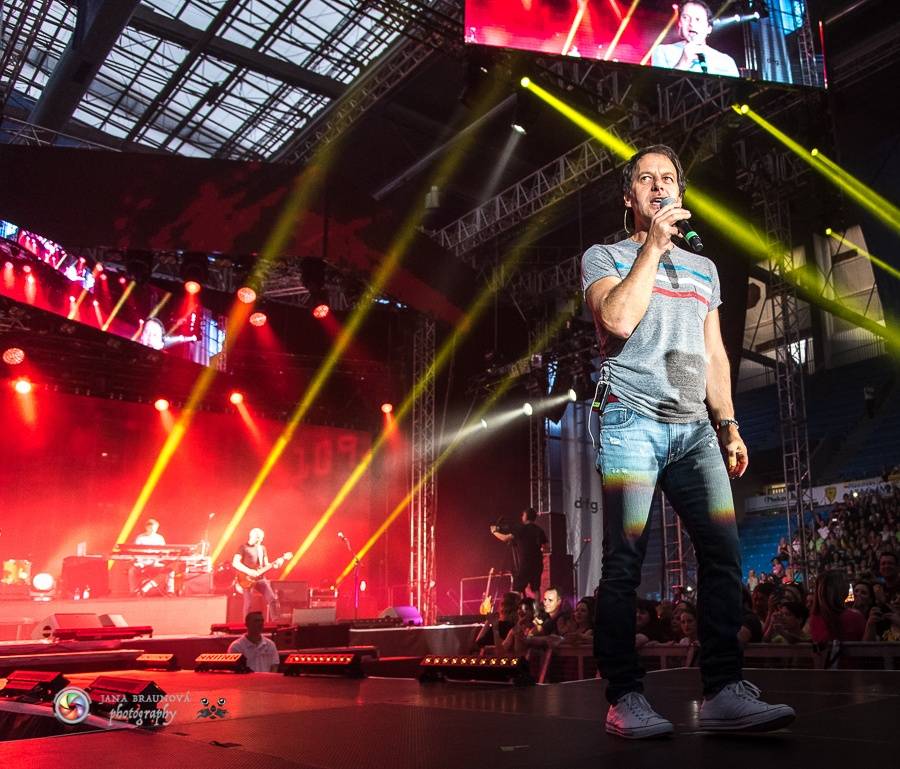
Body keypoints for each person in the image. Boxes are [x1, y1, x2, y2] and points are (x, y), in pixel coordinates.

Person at [582, 143, 794, 738]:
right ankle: (624, 697)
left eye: (667, 178)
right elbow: (619, 320)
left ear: (681, 193)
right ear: (630, 197)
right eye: (645, 179)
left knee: (724, 553)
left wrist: (727, 422)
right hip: (631, 421)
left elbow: (714, 354)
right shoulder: (605, 256)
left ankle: (725, 688)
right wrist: (651, 246)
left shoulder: (704, 270)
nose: (657, 186)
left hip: (694, 429)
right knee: (624, 563)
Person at [651, 1, 740, 78]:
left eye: (698, 19)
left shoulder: (726, 62)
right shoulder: (662, 51)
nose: (691, 24)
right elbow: (659, 90)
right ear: (680, 23)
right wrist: (683, 62)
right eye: (685, 18)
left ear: (709, 28)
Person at [490, 507, 549, 596]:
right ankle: (537, 609)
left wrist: (494, 532)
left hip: (526, 562)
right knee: (536, 588)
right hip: (538, 563)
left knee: (517, 588)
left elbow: (505, 538)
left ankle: (514, 608)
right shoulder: (539, 530)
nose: (522, 517)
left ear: (526, 516)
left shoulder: (522, 528)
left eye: (523, 515)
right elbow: (546, 547)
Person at [232, 528, 282, 621]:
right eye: (258, 537)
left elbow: (266, 565)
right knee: (248, 604)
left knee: (272, 599)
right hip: (246, 579)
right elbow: (235, 563)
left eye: (261, 538)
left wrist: (276, 564)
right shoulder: (243, 547)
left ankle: (276, 621)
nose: (260, 540)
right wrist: (249, 571)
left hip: (260, 578)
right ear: (252, 536)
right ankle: (246, 626)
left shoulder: (262, 548)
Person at [129, 518, 174, 595]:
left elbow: (164, 551)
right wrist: (138, 562)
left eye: (155, 529)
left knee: (170, 571)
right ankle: (134, 591)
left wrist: (160, 559)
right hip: (143, 562)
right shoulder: (140, 538)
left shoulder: (160, 538)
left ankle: (170, 591)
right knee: (132, 571)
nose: (153, 530)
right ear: (146, 527)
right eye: (151, 528)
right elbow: (135, 551)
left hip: (156, 562)